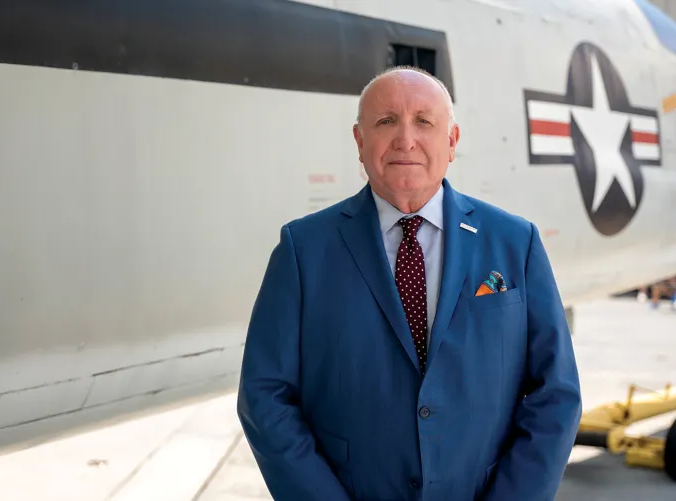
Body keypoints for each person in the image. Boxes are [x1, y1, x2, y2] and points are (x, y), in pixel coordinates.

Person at [237, 66, 582, 501]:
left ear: (452, 141)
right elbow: (264, 395)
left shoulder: (516, 243)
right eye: (386, 121)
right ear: (360, 142)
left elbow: (557, 395)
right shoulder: (302, 249)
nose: (405, 139)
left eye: (424, 121)